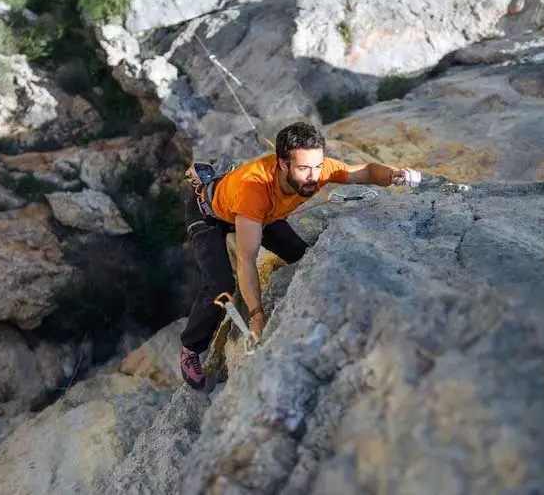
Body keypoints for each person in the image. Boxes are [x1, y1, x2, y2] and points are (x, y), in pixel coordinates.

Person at [179, 121, 421, 389]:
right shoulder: (254, 189)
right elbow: (246, 260)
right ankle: (190, 348)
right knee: (220, 285)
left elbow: (363, 171)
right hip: (208, 214)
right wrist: (258, 316)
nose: (314, 177)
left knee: (302, 257)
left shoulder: (316, 169)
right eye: (304, 168)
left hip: (261, 212)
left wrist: (393, 174)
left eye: (317, 166)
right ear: (282, 164)